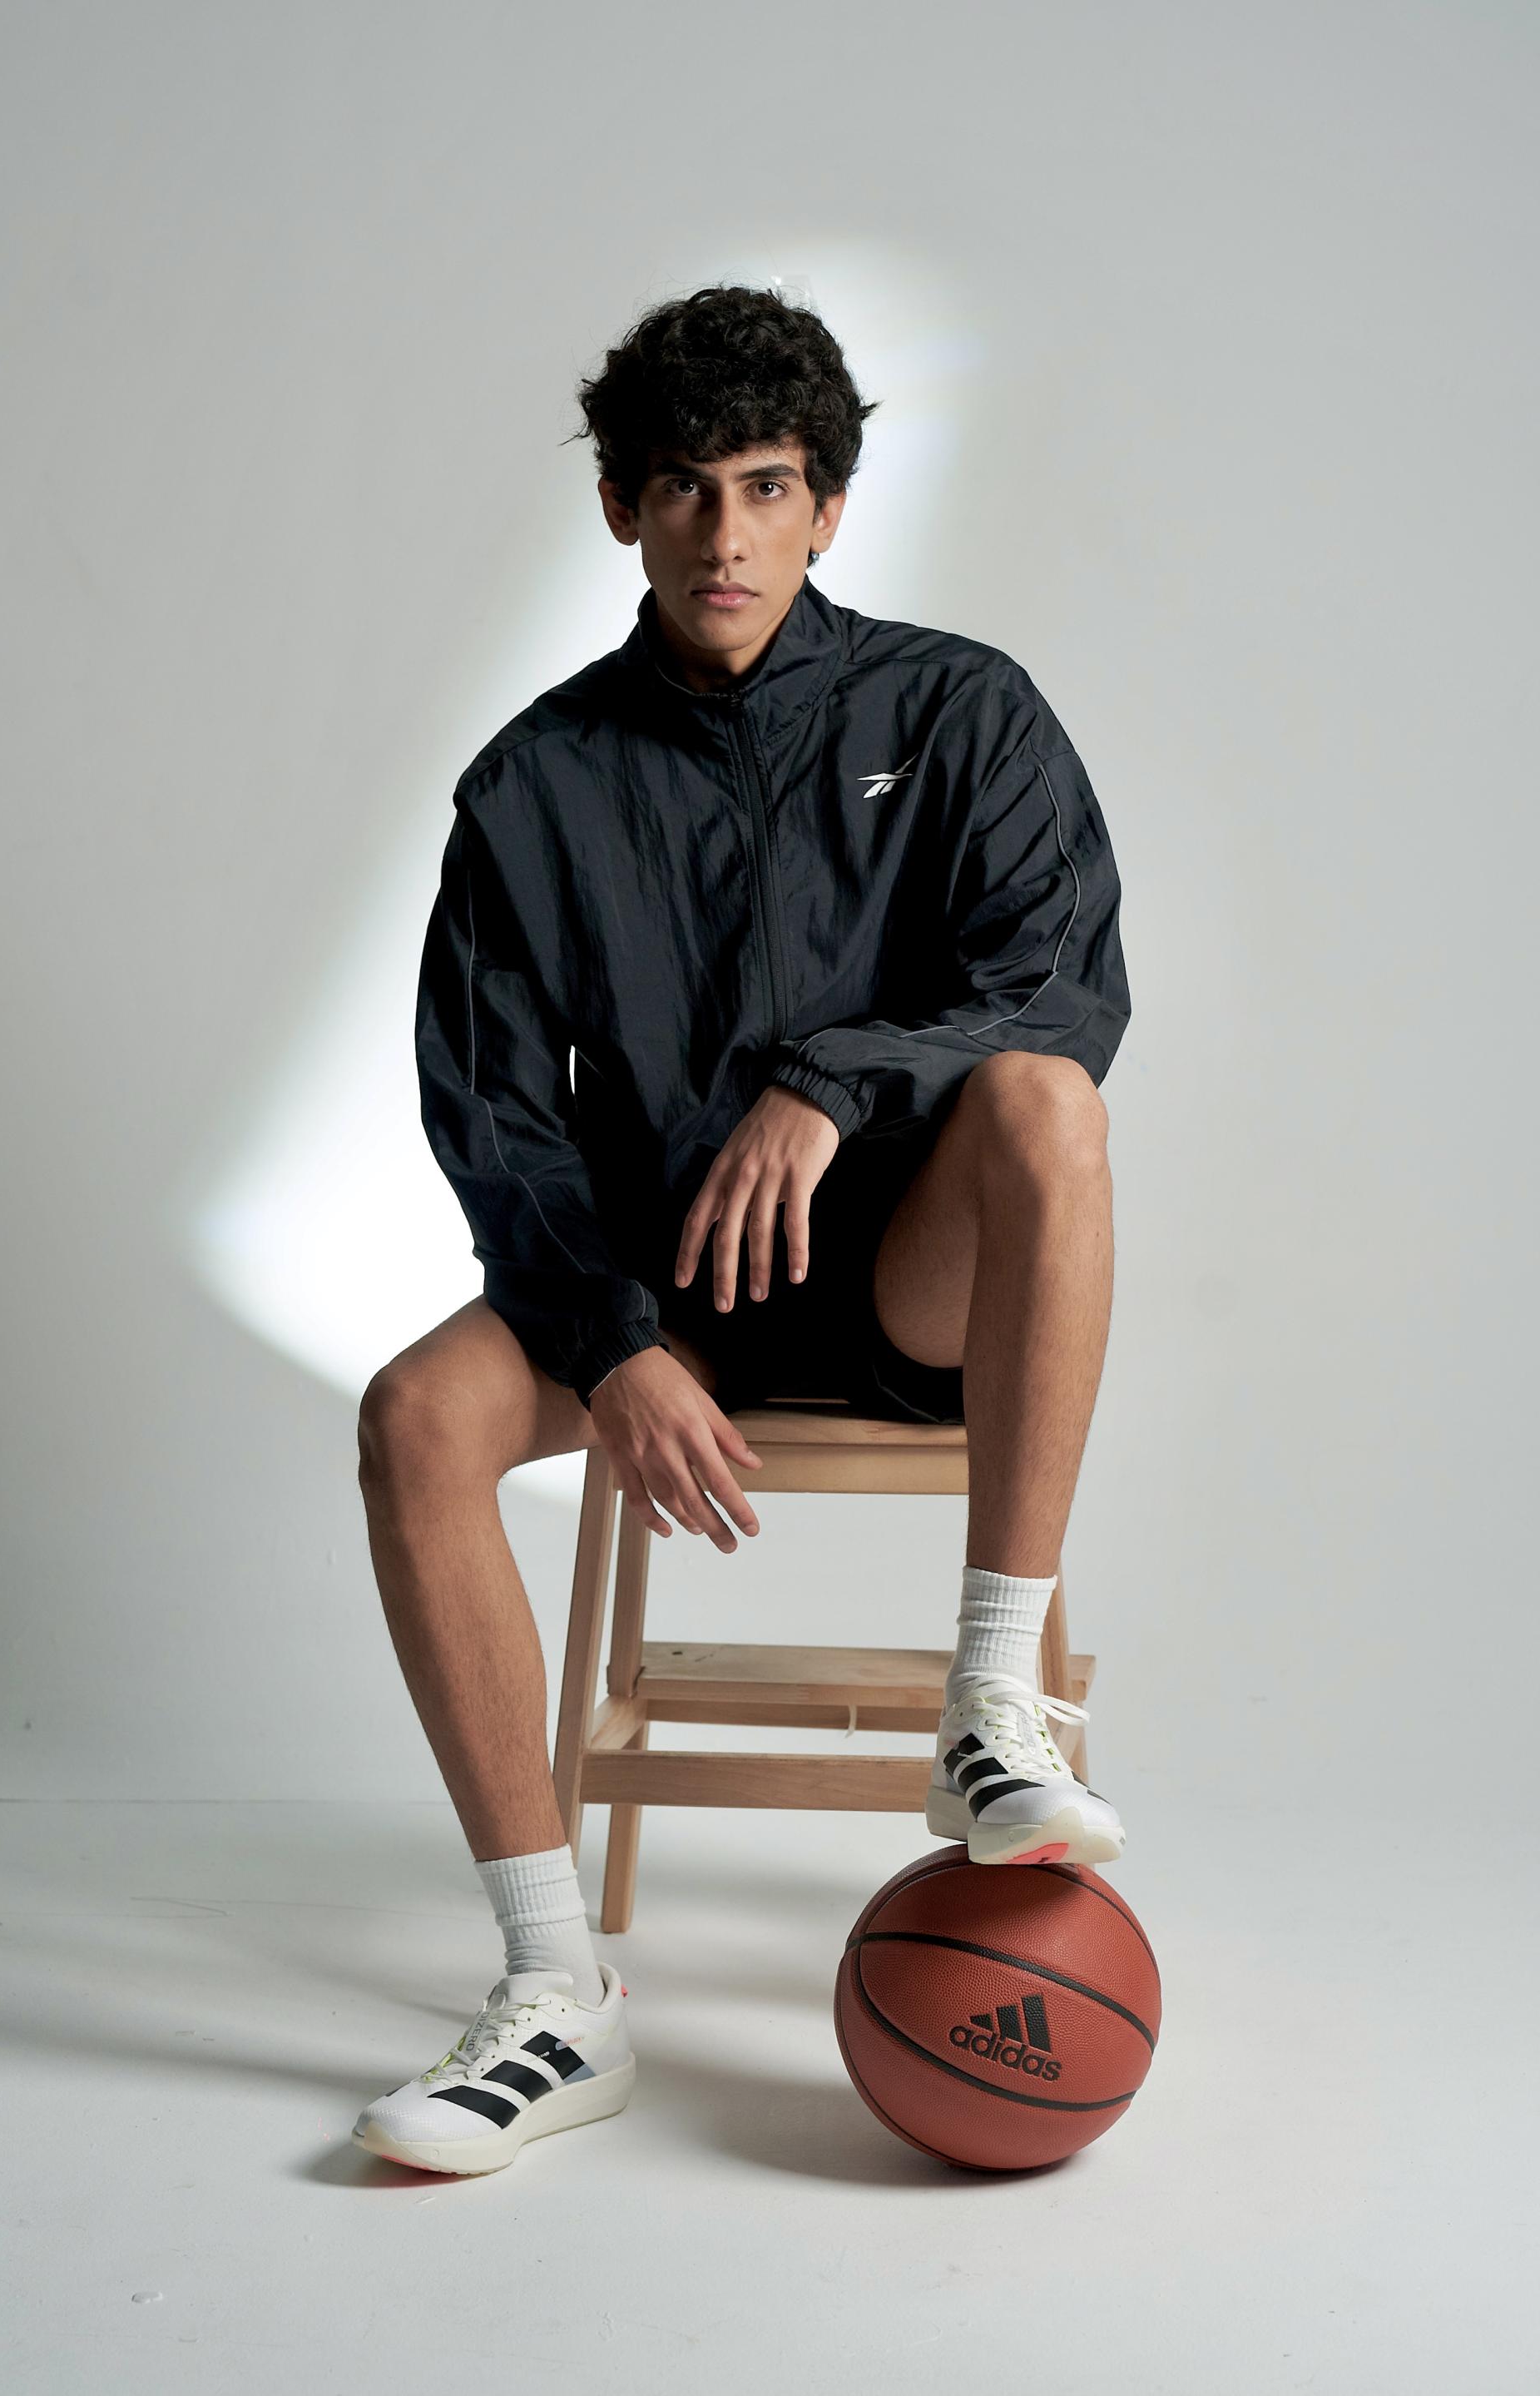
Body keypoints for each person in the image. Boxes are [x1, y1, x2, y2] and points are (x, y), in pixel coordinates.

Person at [351, 283, 1131, 2176]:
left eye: (767, 485)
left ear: (828, 507)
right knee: (414, 1418)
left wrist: (829, 1081)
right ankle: (557, 1990)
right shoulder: (535, 782)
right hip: (658, 1299)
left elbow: (1057, 988)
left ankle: (989, 1702)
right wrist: (612, 1338)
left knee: (1047, 1102)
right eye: (686, 487)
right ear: (623, 506)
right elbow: (492, 1114)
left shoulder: (960, 710)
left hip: (909, 1285)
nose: (726, 531)